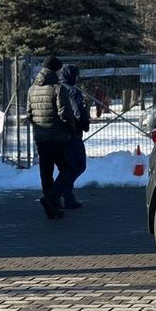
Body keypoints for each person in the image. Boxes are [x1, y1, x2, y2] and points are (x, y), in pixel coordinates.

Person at [25, 55, 73, 219]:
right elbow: (65, 114)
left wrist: (40, 128)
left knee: (46, 172)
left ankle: (51, 207)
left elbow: (29, 114)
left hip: (41, 137)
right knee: (67, 169)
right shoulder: (58, 89)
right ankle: (52, 198)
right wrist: (70, 129)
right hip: (57, 137)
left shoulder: (32, 89)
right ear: (55, 70)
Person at [59, 64, 89, 209]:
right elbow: (78, 112)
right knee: (79, 165)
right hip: (74, 132)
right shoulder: (72, 91)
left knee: (68, 167)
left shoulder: (58, 88)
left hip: (60, 132)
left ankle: (65, 195)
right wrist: (85, 123)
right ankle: (58, 193)